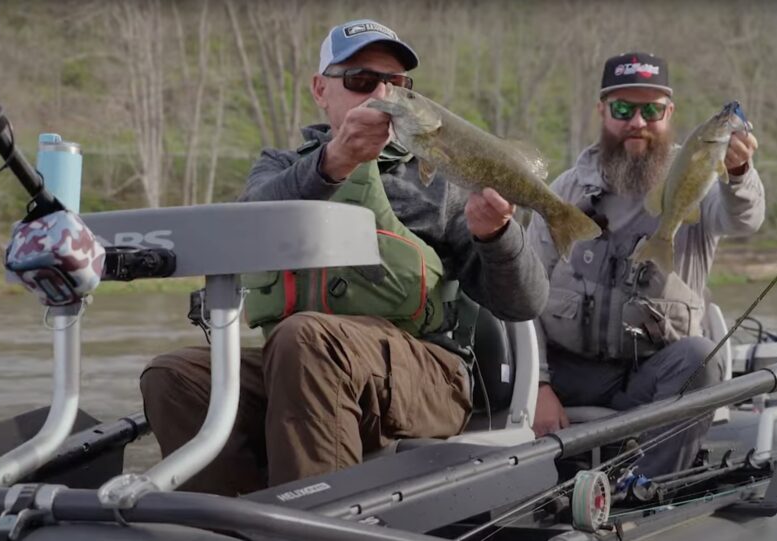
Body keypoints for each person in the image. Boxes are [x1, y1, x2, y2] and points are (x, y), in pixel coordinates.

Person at [139, 19, 548, 496]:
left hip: (429, 375)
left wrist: (497, 235)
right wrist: (334, 161)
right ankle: (238, 519)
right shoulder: (279, 169)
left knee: (306, 339)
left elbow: (525, 302)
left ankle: (315, 523)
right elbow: (244, 227)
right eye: (360, 80)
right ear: (321, 89)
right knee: (173, 377)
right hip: (301, 364)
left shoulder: (440, 182)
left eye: (396, 85)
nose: (380, 94)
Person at [529, 52, 763, 478]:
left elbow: (744, 219)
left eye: (652, 109)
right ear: (602, 111)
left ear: (669, 113)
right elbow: (525, 295)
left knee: (698, 355)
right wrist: (539, 387)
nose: (637, 121)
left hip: (654, 375)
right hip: (571, 375)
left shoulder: (698, 174)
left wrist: (740, 171)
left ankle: (646, 488)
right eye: (622, 108)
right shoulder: (565, 189)